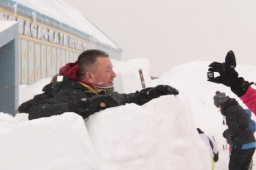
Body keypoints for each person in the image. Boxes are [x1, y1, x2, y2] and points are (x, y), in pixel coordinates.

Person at [25, 49, 178, 120]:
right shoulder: (71, 93)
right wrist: (90, 105)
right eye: (108, 70)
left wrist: (151, 93)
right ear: (90, 76)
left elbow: (124, 99)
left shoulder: (95, 91)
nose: (113, 75)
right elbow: (37, 112)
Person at [213, 91, 256, 170]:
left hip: (242, 143)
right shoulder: (237, 107)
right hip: (250, 142)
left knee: (234, 168)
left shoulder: (230, 110)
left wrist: (226, 133)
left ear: (221, 103)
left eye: (218, 106)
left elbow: (234, 129)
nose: (219, 109)